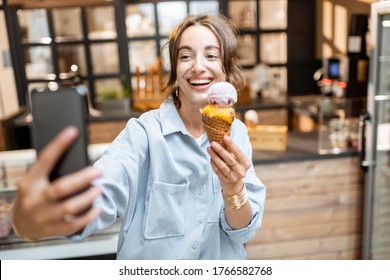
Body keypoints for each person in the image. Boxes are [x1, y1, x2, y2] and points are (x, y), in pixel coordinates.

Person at [12, 14, 266, 260]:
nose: (198, 66)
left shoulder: (237, 132)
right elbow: (103, 190)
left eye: (211, 55)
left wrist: (234, 189)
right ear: (176, 71)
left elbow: (244, 230)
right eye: (186, 56)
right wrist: (36, 217)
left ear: (226, 69)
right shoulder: (143, 134)